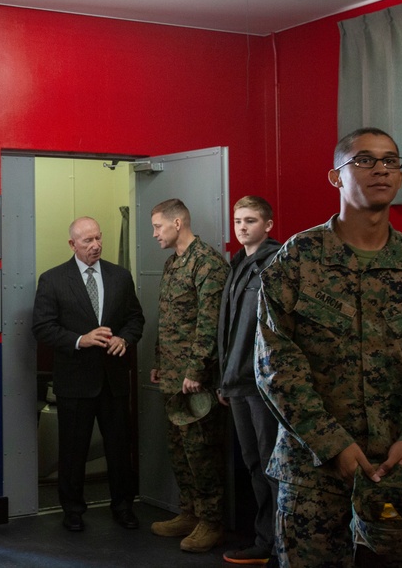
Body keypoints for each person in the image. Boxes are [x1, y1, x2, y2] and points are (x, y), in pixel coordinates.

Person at [256, 129, 402, 567]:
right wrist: (332, 444)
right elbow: (276, 367)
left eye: (390, 160)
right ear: (336, 176)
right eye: (365, 160)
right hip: (315, 479)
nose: (382, 168)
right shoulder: (298, 260)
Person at [31, 216, 145, 533]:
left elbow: (136, 319)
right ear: (72, 244)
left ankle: (124, 507)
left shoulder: (120, 276)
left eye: (98, 238)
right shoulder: (53, 280)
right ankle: (73, 510)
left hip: (114, 380)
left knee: (119, 450)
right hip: (75, 381)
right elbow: (41, 328)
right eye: (86, 241)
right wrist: (80, 340)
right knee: (73, 452)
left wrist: (125, 338)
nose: (95, 245)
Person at [149, 198, 229, 553]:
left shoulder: (207, 263)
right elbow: (168, 319)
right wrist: (159, 361)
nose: (154, 234)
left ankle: (212, 522)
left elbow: (209, 324)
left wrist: (196, 370)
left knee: (201, 451)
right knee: (179, 449)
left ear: (178, 223)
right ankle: (189, 513)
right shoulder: (172, 263)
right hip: (171, 375)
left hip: (195, 380)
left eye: (157, 227)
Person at [216, 196, 282, 565]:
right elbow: (230, 329)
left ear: (268, 224)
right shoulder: (238, 264)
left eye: (251, 220)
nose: (242, 227)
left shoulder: (277, 262)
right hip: (237, 383)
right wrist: (225, 380)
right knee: (255, 464)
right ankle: (265, 539)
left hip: (262, 385)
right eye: (238, 220)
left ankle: (277, 542)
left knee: (272, 466)